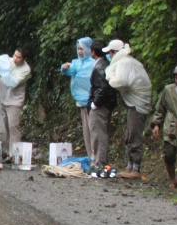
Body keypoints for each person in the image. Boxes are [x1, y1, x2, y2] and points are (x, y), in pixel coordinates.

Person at [102, 39, 152, 180]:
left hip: (138, 105)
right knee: (130, 134)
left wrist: (111, 78)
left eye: (110, 53)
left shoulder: (125, 63)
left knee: (133, 135)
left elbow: (121, 82)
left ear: (115, 52)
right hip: (134, 104)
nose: (109, 56)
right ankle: (130, 166)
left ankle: (135, 168)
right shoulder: (128, 62)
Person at [61, 38, 97, 156]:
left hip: (94, 102)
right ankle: (90, 155)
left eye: (82, 48)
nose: (80, 51)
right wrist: (64, 67)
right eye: (78, 49)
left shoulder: (95, 62)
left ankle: (96, 156)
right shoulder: (77, 63)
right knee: (86, 131)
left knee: (94, 130)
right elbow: (68, 71)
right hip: (82, 102)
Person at [87, 45, 118, 175]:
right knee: (98, 133)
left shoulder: (101, 67)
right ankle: (99, 161)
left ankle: (100, 163)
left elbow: (103, 88)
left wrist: (95, 103)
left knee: (98, 133)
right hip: (105, 104)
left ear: (93, 52)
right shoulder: (105, 64)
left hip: (101, 106)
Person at [0, 47, 32, 161]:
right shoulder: (8, 61)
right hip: (3, 98)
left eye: (19, 57)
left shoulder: (25, 69)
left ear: (24, 59)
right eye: (14, 55)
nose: (15, 59)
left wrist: (3, 73)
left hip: (15, 101)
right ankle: (6, 152)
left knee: (13, 126)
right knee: (3, 127)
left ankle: (15, 154)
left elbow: (13, 82)